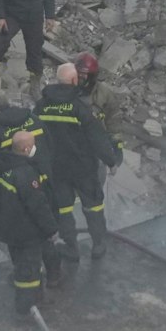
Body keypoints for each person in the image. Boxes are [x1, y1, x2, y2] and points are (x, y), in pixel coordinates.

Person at [37, 62, 121, 262]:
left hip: (56, 169)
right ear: (74, 81)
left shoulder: (41, 106)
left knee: (63, 209)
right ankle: (98, 245)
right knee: (93, 206)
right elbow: (97, 137)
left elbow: (35, 137)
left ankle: (71, 248)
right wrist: (111, 161)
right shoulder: (79, 107)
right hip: (83, 168)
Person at [0, 125, 62, 312]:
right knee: (29, 273)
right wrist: (51, 229)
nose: (35, 149)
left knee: (23, 264)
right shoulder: (24, 173)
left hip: (5, 227)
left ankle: (38, 298)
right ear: (25, 149)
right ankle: (25, 310)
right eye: (33, 146)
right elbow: (38, 205)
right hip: (25, 232)